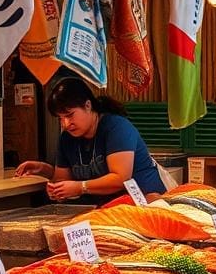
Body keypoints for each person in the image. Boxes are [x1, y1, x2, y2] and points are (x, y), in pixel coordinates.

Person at [15, 77, 165, 205]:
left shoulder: (116, 127)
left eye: (70, 115)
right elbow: (63, 180)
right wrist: (45, 172)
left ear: (88, 105)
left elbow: (120, 178)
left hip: (145, 203)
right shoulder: (67, 138)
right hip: (102, 210)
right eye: (60, 118)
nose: (66, 124)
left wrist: (81, 187)